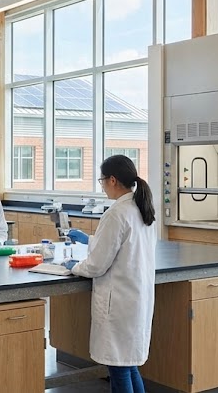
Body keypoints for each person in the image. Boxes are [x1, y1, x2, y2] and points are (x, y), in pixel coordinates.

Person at [63, 155, 157, 393]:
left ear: (112, 180)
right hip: (136, 297)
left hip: (119, 303)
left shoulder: (116, 213)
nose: (102, 186)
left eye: (102, 180)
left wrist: (73, 266)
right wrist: (90, 240)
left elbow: (96, 265)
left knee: (119, 368)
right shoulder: (141, 208)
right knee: (128, 364)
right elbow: (121, 245)